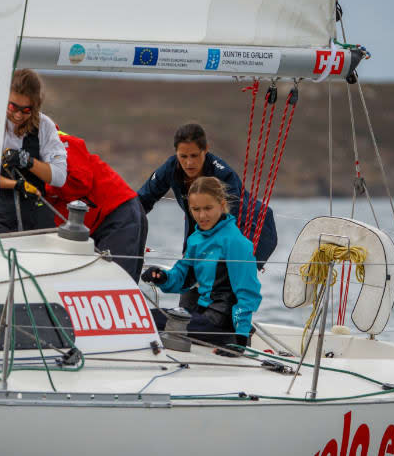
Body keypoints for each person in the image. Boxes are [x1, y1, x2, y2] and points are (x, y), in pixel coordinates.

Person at [141, 177, 261, 354]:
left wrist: (240, 341)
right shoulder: (196, 240)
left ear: (221, 205)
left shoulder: (236, 242)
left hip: (222, 326)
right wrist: (161, 277)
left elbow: (247, 293)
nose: (202, 215)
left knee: (145, 319)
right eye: (196, 209)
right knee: (142, 315)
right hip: (201, 316)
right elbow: (182, 277)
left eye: (208, 208)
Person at [137, 123, 277, 269]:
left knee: (222, 276)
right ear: (176, 153)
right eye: (183, 156)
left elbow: (232, 223)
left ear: (205, 150)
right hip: (205, 228)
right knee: (190, 276)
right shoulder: (171, 167)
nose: (189, 162)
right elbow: (141, 201)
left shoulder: (223, 174)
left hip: (254, 231)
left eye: (194, 155)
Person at [45, 132, 148, 282]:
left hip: (117, 214)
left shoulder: (58, 141)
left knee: (114, 287)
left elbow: (81, 182)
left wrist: (44, 186)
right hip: (87, 226)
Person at [0, 69, 67, 233]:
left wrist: (27, 161)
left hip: (34, 224)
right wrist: (16, 185)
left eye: (26, 110)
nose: (18, 116)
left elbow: (59, 177)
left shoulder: (45, 127)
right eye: (13, 107)